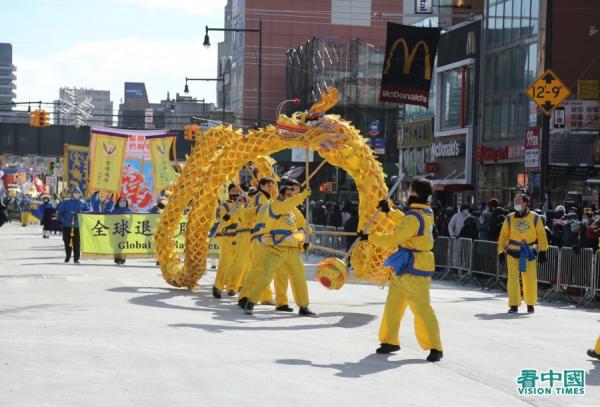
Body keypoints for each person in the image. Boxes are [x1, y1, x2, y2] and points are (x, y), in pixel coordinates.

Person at [359, 179, 443, 362]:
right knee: (393, 305)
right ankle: (390, 340)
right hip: (406, 265)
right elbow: (407, 222)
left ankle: (435, 345)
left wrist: (370, 237)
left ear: (413, 193)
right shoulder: (425, 212)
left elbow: (396, 236)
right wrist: (389, 211)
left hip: (415, 267)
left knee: (421, 308)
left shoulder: (415, 215)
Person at [244, 185, 315, 317]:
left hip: (292, 251)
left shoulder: (292, 213)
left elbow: (294, 233)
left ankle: (303, 306)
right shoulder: (275, 207)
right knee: (266, 276)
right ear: (281, 196)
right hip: (275, 249)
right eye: (288, 194)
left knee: (299, 278)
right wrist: (302, 196)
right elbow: (288, 204)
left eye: (292, 195)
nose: (291, 197)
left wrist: (302, 243)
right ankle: (251, 301)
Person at [498, 194, 549, 314]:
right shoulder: (509, 218)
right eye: (515, 201)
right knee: (512, 280)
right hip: (512, 252)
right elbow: (503, 235)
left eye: (519, 201)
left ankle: (530, 304)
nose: (516, 203)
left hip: (528, 252)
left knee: (530, 279)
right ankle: (514, 305)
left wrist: (543, 250)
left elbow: (541, 234)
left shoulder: (535, 217)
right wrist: (500, 251)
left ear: (526, 203)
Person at [237, 177, 277, 307]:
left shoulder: (266, 199)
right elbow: (248, 213)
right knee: (258, 268)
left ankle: (265, 296)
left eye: (272, 185)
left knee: (264, 269)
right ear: (261, 185)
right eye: (268, 185)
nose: (271, 187)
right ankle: (244, 296)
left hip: (265, 236)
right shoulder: (260, 198)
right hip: (260, 236)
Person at [212, 184, 242, 298]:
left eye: (237, 190)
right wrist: (235, 208)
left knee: (238, 263)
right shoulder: (225, 206)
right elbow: (225, 221)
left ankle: (232, 286)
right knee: (225, 262)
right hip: (227, 237)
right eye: (233, 190)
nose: (236, 192)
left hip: (240, 238)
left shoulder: (243, 205)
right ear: (229, 192)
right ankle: (218, 286)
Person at [57, 188, 90, 263]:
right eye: (75, 193)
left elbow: (88, 213)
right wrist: (60, 218)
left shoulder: (83, 203)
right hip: (67, 225)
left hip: (77, 226)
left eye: (78, 193)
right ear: (72, 194)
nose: (76, 194)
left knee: (77, 242)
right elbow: (60, 212)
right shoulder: (66, 202)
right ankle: (68, 256)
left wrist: (79, 212)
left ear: (80, 194)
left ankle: (76, 258)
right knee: (67, 241)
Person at [111, 196, 132, 265]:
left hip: (125, 230)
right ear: (118, 202)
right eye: (121, 201)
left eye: (124, 201)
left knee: (124, 245)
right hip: (117, 230)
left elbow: (131, 220)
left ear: (126, 203)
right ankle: (117, 258)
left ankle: (123, 258)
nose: (122, 202)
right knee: (117, 245)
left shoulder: (129, 211)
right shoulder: (115, 210)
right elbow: (111, 219)